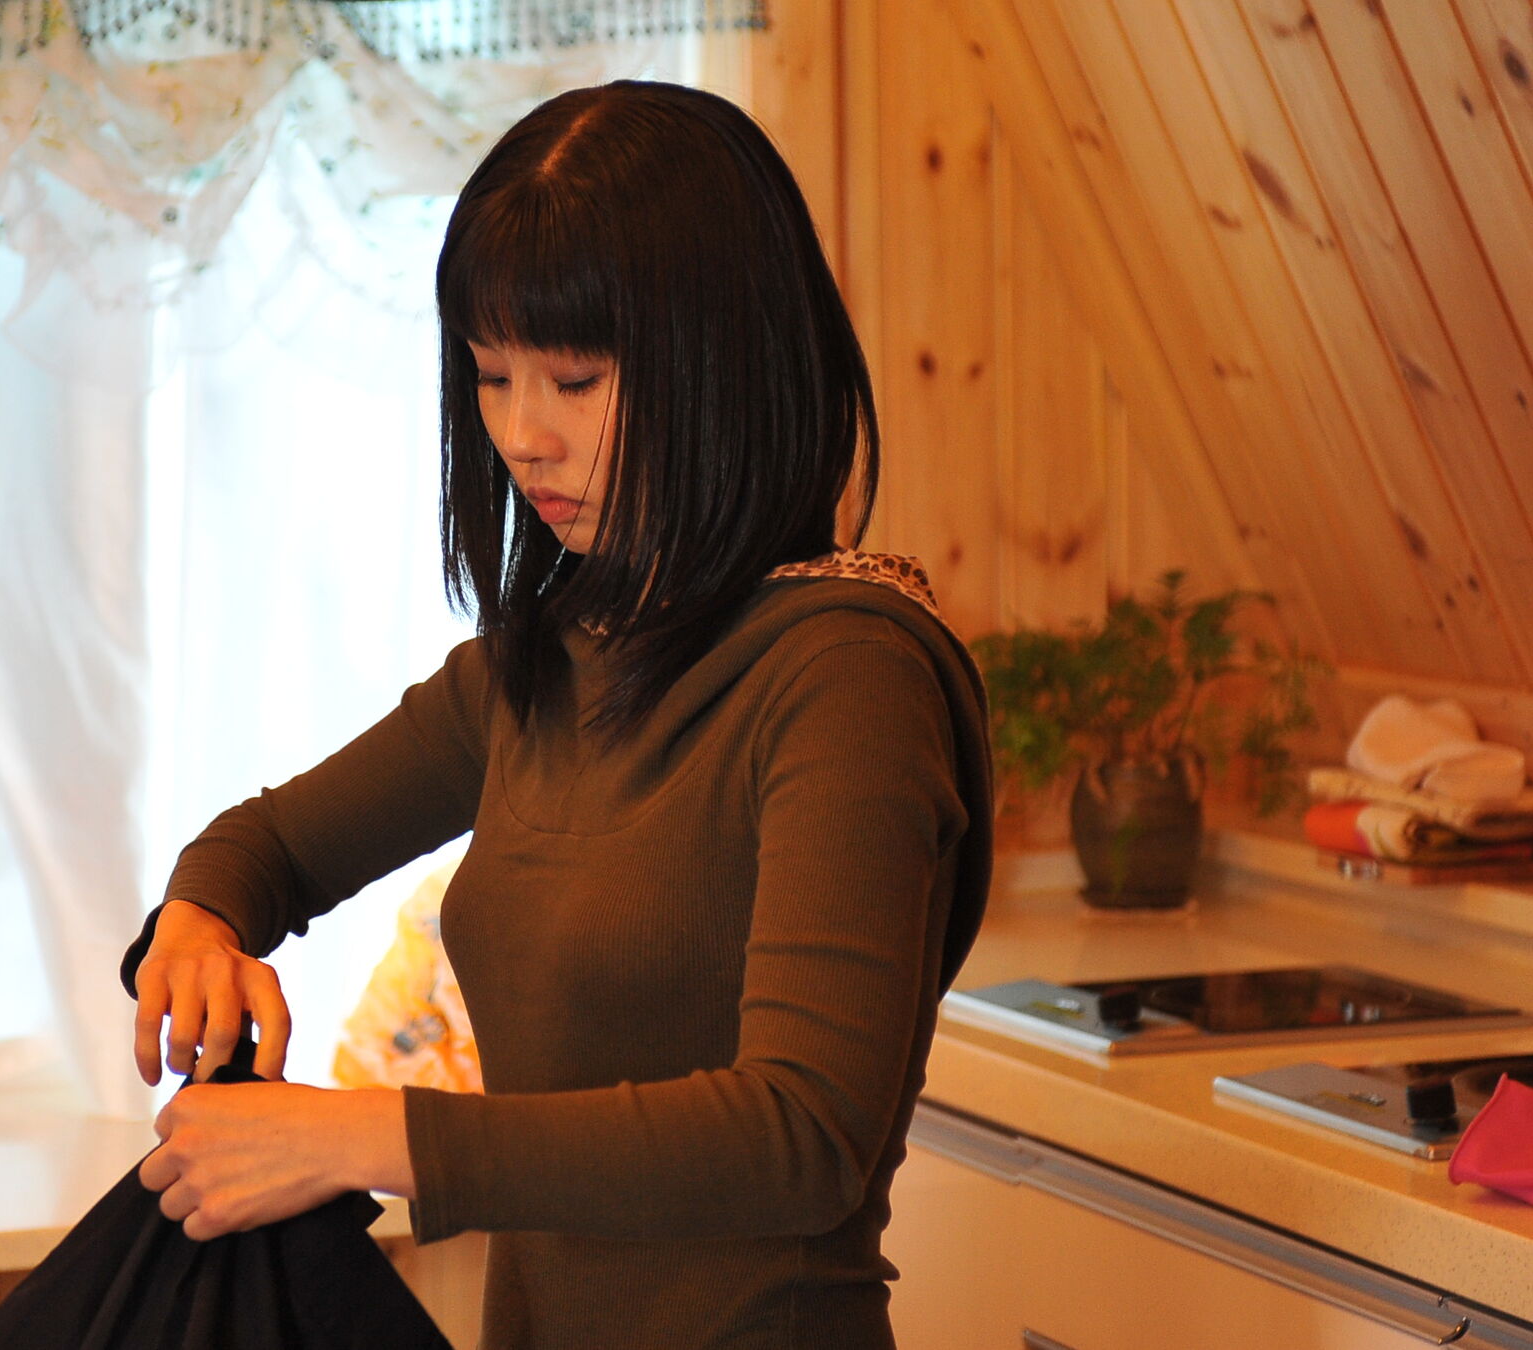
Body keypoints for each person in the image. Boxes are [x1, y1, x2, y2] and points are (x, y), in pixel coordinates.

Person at [126, 81, 992, 1350]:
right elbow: (264, 847)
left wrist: (360, 1138)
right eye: (491, 374)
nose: (523, 435)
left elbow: (802, 1135)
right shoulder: (547, 666)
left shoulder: (846, 675)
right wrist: (198, 927)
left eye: (576, 379)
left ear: (725, 363)